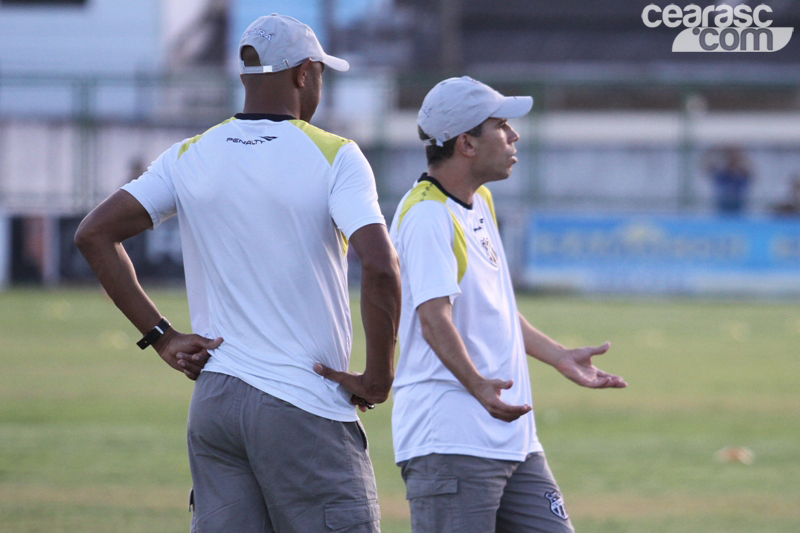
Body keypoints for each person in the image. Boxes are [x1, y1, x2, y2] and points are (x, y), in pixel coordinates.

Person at [75, 14, 401, 533]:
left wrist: (162, 336)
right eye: (320, 72)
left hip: (216, 402)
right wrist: (379, 377)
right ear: (303, 74)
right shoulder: (337, 155)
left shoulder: (189, 153)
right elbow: (381, 266)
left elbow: (94, 233)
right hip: (302, 401)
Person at [388, 76, 627, 533]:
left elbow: (494, 306)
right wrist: (477, 384)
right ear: (466, 144)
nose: (514, 135)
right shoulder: (426, 215)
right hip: (453, 440)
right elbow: (434, 319)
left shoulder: (479, 201)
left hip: (513, 438)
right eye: (500, 126)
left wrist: (559, 356)